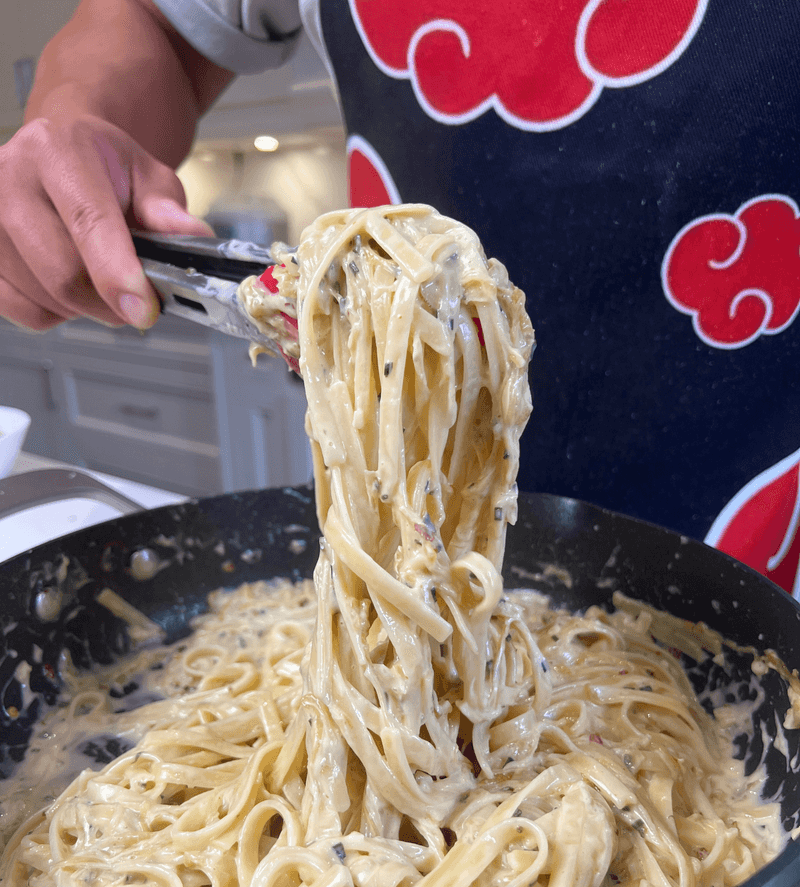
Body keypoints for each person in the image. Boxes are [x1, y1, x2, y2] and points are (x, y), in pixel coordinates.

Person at [1, 0, 798, 597]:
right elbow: (158, 25)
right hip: (404, 480)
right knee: (393, 611)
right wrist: (77, 123)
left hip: (765, 523)